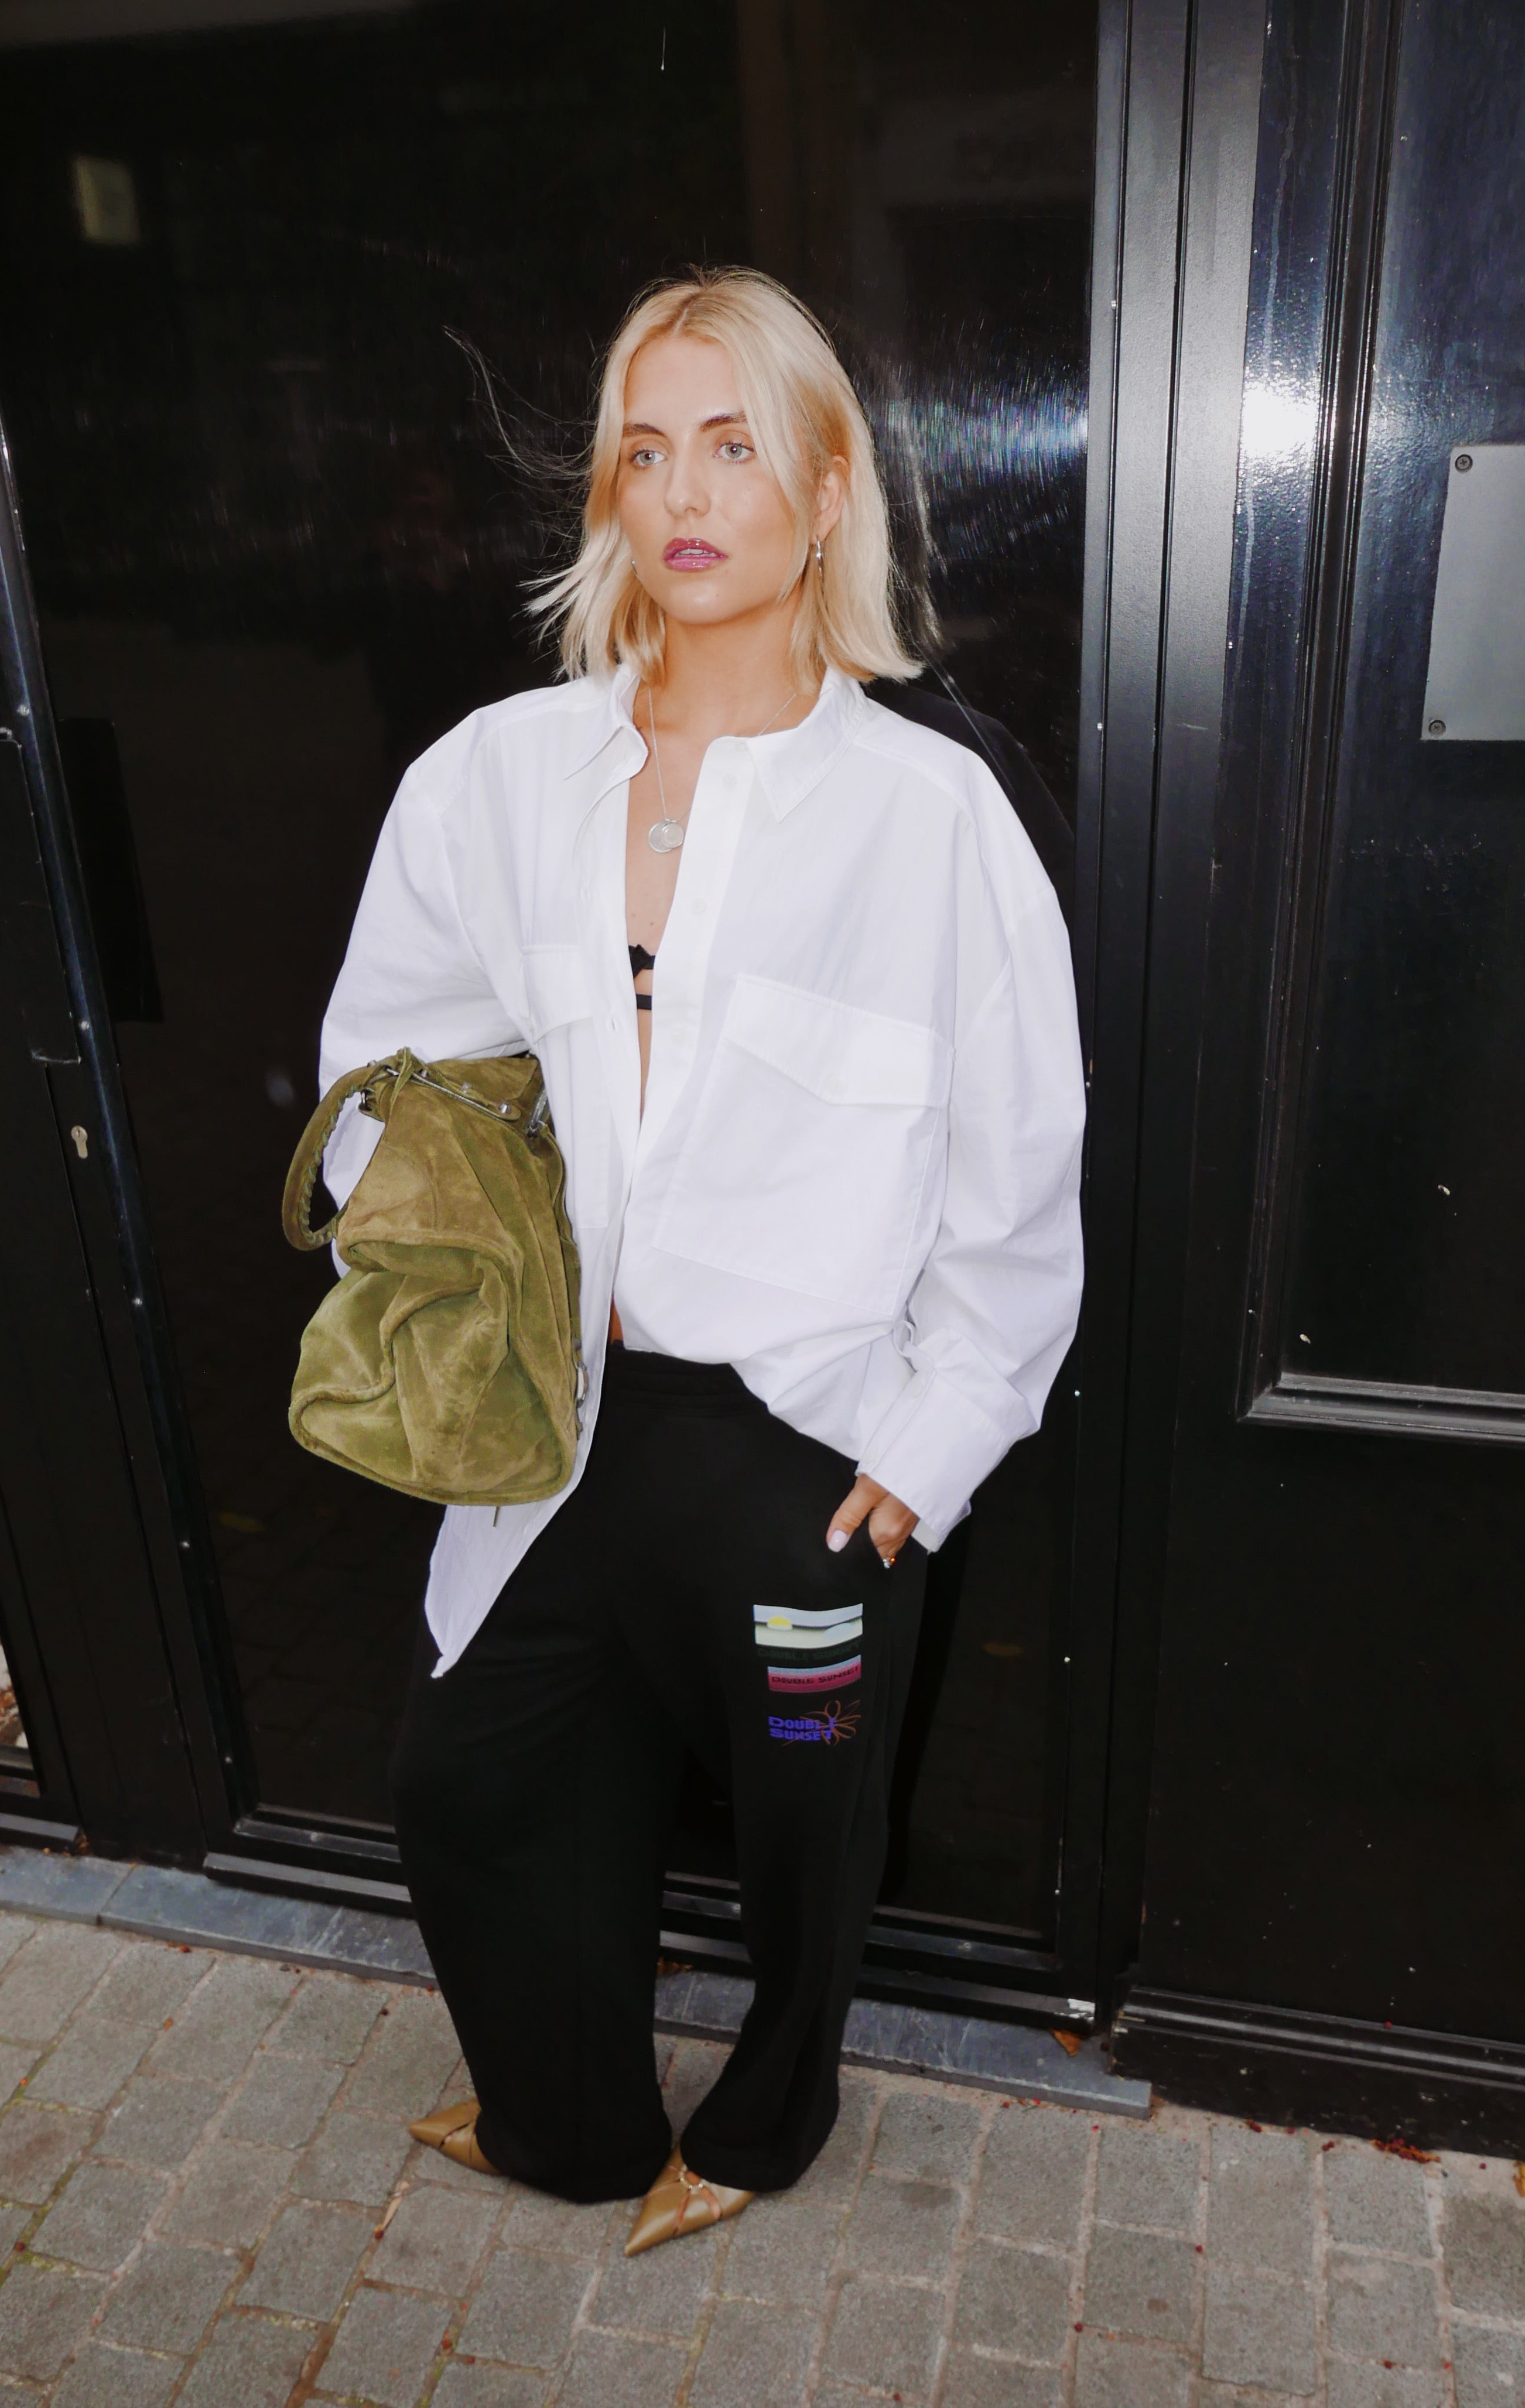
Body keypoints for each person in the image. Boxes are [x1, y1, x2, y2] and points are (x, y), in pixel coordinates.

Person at [314, 268, 1085, 2252]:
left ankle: (764, 2124)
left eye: (734, 446)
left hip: (805, 1447)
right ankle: (566, 2121)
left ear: (825, 491)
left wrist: (929, 1449)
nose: (683, 492)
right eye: (645, 450)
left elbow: (1017, 1176)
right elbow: (384, 1062)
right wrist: (457, 1239)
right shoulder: (495, 776)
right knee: (471, 1787)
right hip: (556, 1411)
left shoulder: (935, 818)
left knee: (808, 1833)